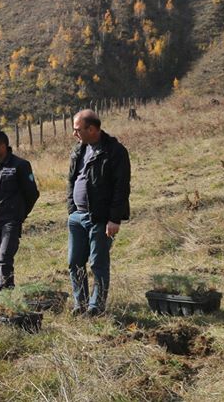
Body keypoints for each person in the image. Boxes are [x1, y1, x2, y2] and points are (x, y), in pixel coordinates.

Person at [66, 109, 131, 316]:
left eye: (78, 130)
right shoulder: (79, 150)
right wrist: (71, 209)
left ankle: (96, 307)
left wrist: (114, 219)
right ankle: (81, 304)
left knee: (97, 263)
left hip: (100, 217)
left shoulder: (115, 151)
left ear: (92, 129)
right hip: (77, 217)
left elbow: (121, 187)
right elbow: (72, 180)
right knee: (74, 262)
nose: (74, 134)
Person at [0, 131, 40, 290]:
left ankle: (5, 293)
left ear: (3, 146)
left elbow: (32, 194)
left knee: (5, 257)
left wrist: (20, 214)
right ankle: (7, 290)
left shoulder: (20, 165)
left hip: (11, 221)